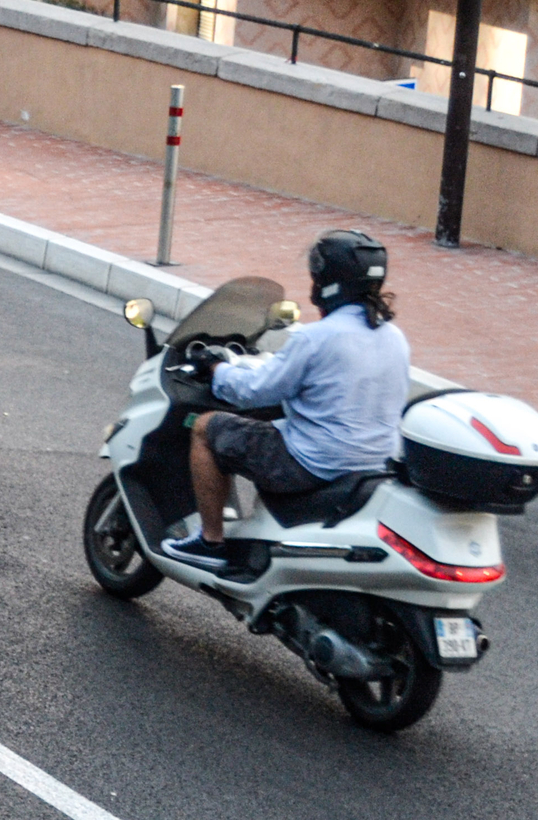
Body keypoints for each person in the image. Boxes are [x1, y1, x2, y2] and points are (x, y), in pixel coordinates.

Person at [163, 231, 412, 575]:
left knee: (207, 429)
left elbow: (253, 391)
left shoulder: (315, 338)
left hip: (314, 464)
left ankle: (210, 541)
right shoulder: (394, 337)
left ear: (326, 279)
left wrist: (216, 368)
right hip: (373, 465)